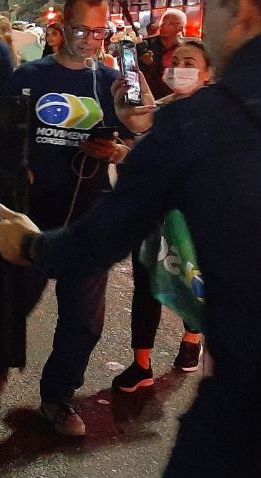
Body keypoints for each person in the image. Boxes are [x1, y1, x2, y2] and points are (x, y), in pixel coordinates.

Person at [0, 0, 261, 475]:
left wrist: (27, 245)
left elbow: (95, 245)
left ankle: (57, 392)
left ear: (237, 8)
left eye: (208, 6)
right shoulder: (47, 80)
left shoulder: (198, 123)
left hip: (250, 427)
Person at [0, 0, 133, 437]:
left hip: (89, 218)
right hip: (33, 215)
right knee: (15, 300)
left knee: (84, 320)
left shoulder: (110, 83)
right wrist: (17, 166)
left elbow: (135, 143)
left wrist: (113, 150)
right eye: (81, 30)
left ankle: (58, 397)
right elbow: (0, 135)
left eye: (99, 32)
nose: (90, 40)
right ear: (59, 29)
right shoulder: (28, 76)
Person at [110, 41, 213, 394]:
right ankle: (141, 364)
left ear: (207, 73)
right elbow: (138, 125)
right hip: (153, 214)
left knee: (193, 277)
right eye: (178, 61)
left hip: (196, 216)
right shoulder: (160, 108)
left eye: (191, 62)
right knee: (147, 282)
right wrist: (124, 107)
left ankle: (191, 338)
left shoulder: (220, 114)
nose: (182, 66)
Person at [138, 9, 187, 99]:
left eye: (170, 23)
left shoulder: (183, 49)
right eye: (163, 22)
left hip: (172, 98)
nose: (164, 25)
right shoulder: (146, 44)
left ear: (180, 28)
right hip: (147, 97)